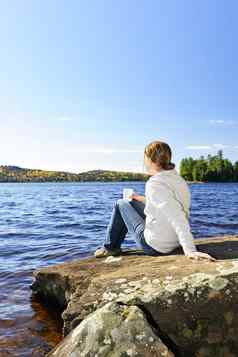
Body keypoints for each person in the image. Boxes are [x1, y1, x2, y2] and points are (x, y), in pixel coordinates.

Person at [94, 140, 216, 262]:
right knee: (129, 203)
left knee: (120, 203)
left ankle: (110, 247)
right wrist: (138, 198)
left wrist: (190, 250)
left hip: (156, 246)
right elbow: (164, 204)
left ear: (149, 160)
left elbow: (177, 216)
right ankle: (111, 246)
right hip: (174, 241)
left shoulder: (155, 184)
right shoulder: (178, 180)